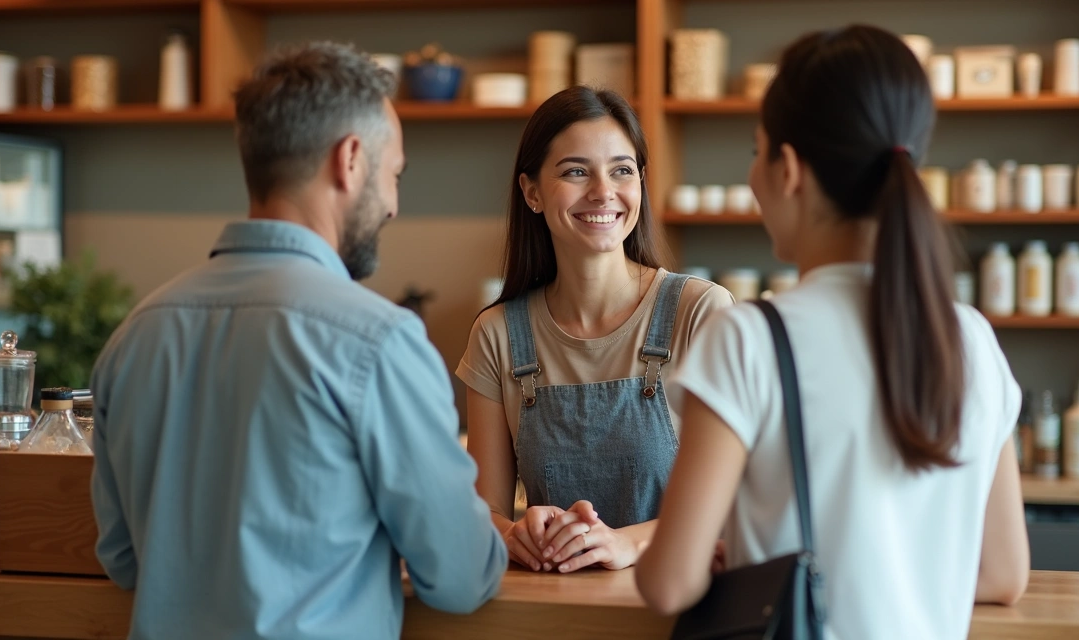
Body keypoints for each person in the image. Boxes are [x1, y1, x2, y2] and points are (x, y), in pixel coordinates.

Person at [89, 42, 506, 640]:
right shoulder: (379, 341)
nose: (392, 205)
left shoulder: (135, 335)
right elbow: (463, 577)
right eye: (394, 176)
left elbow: (124, 562)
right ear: (351, 160)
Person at [636, 25, 1030, 640]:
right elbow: (1004, 574)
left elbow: (667, 584)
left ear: (788, 169)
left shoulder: (750, 339)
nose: (753, 175)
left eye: (756, 149)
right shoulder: (972, 339)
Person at [457, 86, 735, 575]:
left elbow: (739, 497)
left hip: (678, 609)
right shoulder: (497, 333)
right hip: (558, 610)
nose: (603, 191)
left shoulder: (701, 312)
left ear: (641, 183)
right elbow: (485, 512)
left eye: (622, 170)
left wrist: (626, 543)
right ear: (532, 192)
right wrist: (517, 533)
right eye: (576, 171)